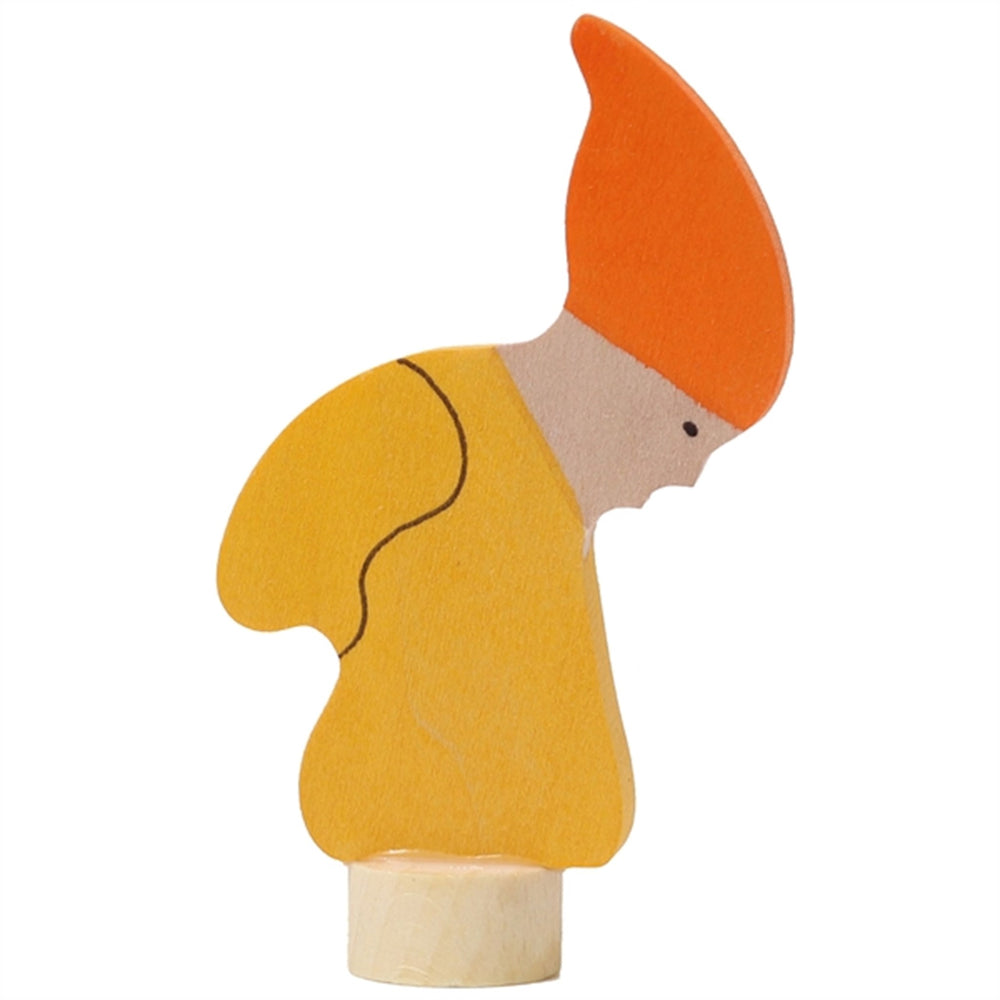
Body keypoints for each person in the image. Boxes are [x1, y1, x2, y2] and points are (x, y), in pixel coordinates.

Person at [217, 14, 792, 871]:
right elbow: (252, 578)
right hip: (375, 781)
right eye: (689, 432)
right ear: (619, 381)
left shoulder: (551, 519)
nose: (688, 475)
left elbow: (583, 803)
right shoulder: (438, 425)